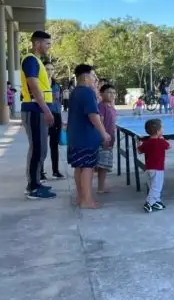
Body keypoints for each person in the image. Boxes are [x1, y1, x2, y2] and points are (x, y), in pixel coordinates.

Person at [67, 64, 110, 209]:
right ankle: (87, 200)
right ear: (85, 76)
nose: (95, 79)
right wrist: (104, 133)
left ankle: (81, 198)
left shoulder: (74, 92)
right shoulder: (87, 92)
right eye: (93, 76)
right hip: (86, 137)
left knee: (79, 167)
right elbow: (93, 115)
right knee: (87, 167)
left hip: (74, 136)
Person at [20, 30, 56, 199]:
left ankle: (36, 182)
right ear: (37, 43)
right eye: (47, 43)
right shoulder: (30, 60)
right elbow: (33, 86)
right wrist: (46, 110)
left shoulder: (37, 62)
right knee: (37, 148)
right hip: (35, 110)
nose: (49, 46)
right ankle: (33, 187)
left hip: (39, 109)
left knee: (41, 149)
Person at [137, 118, 169, 213]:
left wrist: (138, 144)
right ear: (159, 131)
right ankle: (149, 203)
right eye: (162, 128)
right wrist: (162, 138)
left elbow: (139, 151)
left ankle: (156, 201)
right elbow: (169, 146)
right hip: (158, 170)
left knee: (152, 187)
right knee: (156, 188)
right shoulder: (161, 142)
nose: (163, 129)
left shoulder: (146, 143)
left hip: (148, 169)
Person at [41, 62, 65, 180]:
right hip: (43, 116)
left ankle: (55, 171)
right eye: (46, 69)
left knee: (54, 145)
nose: (49, 71)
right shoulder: (39, 84)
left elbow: (59, 103)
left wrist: (61, 119)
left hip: (56, 116)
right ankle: (40, 171)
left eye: (51, 69)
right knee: (41, 145)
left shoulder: (57, 86)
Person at [96, 84, 117, 193]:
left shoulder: (111, 107)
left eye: (113, 92)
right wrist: (103, 136)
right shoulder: (102, 106)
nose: (112, 94)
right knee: (102, 166)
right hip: (104, 140)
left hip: (110, 139)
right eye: (109, 92)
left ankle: (102, 186)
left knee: (104, 165)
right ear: (101, 94)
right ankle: (100, 188)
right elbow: (100, 121)